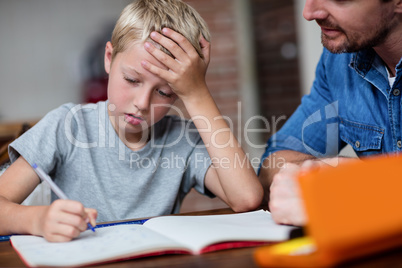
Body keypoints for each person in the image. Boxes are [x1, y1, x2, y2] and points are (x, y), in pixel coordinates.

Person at [0, 0, 263, 242]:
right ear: (108, 58)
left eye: (165, 92)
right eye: (132, 80)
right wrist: (37, 220)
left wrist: (197, 93)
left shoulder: (184, 139)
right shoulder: (66, 126)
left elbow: (247, 198)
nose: (142, 103)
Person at [259, 0, 402, 226]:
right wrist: (321, 174)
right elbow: (274, 161)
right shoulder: (339, 63)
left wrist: (360, 185)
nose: (309, 12)